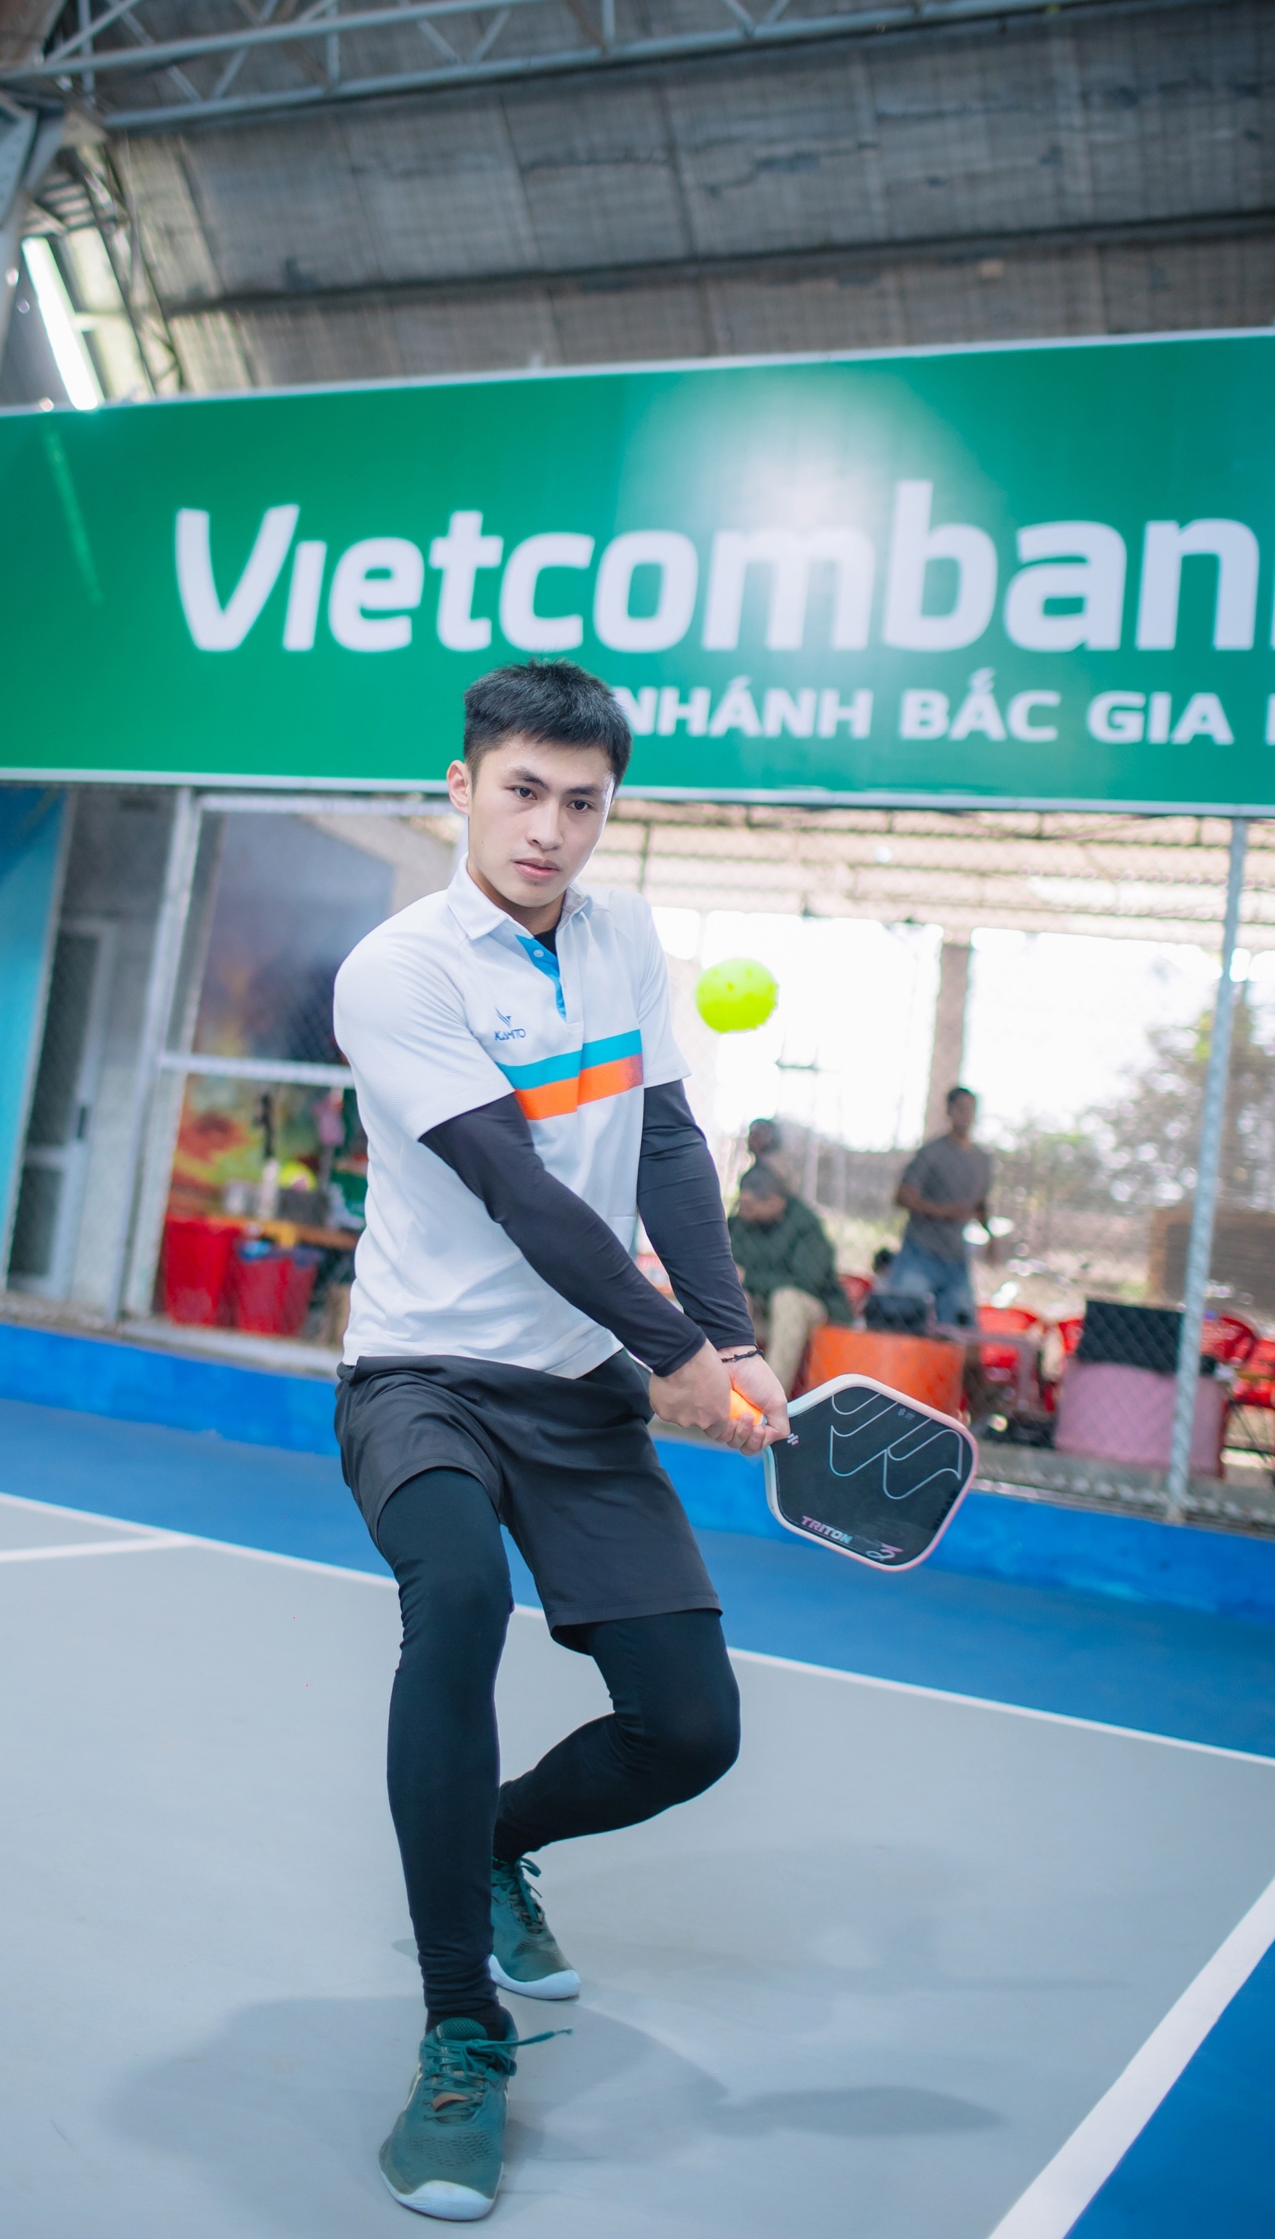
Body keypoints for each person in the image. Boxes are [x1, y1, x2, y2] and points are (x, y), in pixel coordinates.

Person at [332, 660, 789, 2222]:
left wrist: (727, 1337)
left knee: (690, 1732)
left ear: (607, 812)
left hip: (579, 1389)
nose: (546, 828)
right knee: (456, 1598)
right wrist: (675, 1354)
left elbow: (663, 1145)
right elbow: (518, 1192)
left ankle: (486, 1845)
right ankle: (459, 2030)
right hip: (423, 1378)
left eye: (579, 803)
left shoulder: (622, 938)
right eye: (520, 791)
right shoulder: (395, 973)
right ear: (460, 787)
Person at [726, 1161, 851, 1393]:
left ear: (775, 1201)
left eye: (750, 1206)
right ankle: (723, 1390)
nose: (743, 1211)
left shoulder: (805, 1226)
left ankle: (768, 1397)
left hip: (811, 1309)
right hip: (761, 1311)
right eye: (742, 1204)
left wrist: (749, 1277)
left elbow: (807, 1281)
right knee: (734, 1297)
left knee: (786, 1299)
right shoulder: (740, 1224)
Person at [887, 1084, 993, 1329]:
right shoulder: (931, 1153)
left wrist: (991, 1237)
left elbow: (981, 1204)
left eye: (971, 1109)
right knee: (901, 1320)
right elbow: (902, 1196)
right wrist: (944, 1211)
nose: (966, 1115)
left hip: (955, 1256)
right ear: (949, 1111)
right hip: (920, 1251)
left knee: (960, 1331)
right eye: (961, 1108)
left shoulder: (982, 1160)